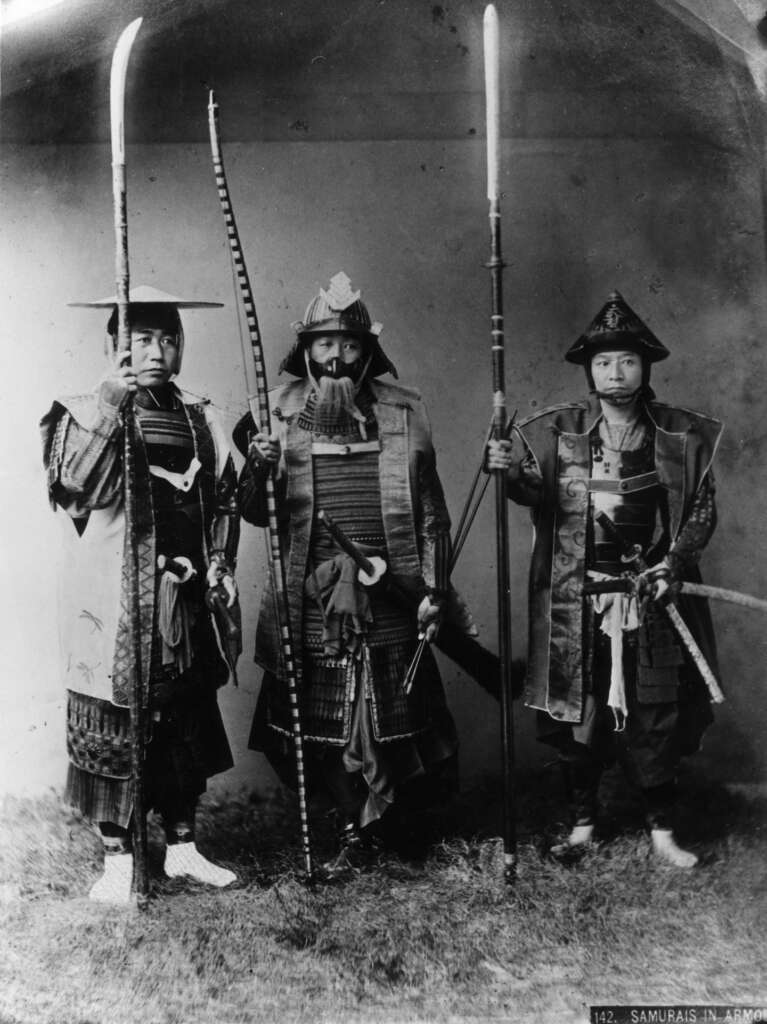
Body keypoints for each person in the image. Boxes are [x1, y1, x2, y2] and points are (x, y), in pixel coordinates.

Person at [488, 290, 723, 868]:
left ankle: (663, 832)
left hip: (653, 596)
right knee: (578, 711)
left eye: (625, 361)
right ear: (588, 370)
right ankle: (582, 824)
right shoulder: (557, 430)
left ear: (645, 367)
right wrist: (507, 473)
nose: (614, 374)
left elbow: (700, 509)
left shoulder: (680, 433)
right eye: (602, 362)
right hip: (578, 598)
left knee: (656, 711)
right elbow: (534, 495)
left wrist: (672, 564)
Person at [235, 272, 458, 873]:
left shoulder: (405, 411)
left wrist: (434, 591)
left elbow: (432, 512)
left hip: (392, 589)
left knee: (392, 718)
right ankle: (348, 824)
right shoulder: (272, 413)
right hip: (310, 596)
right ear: (306, 351)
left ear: (367, 355)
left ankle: (380, 829)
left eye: (349, 346)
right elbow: (253, 511)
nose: (335, 358)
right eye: (324, 345)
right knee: (318, 718)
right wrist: (258, 468)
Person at [41, 285, 241, 903]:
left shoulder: (199, 413)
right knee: (113, 721)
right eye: (139, 338)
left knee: (184, 720)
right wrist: (109, 405)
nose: (154, 351)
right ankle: (116, 858)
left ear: (180, 347)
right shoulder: (81, 411)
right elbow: (77, 491)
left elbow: (223, 498)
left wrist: (220, 564)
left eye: (166, 339)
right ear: (115, 345)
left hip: (182, 599)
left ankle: (182, 848)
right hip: (114, 601)